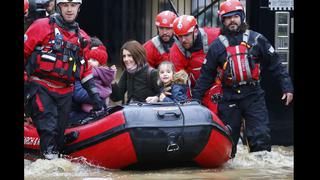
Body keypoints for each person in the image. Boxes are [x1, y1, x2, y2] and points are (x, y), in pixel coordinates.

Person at [192, 0, 294, 157]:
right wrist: (195, 101)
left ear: (242, 17)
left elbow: (276, 64)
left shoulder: (257, 39)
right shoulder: (217, 46)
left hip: (253, 95)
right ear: (222, 20)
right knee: (228, 142)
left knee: (260, 138)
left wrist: (287, 87)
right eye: (227, 17)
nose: (232, 20)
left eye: (235, 16)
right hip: (229, 97)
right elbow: (206, 76)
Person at [24, 0, 105, 160]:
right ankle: (49, 169)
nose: (69, 9)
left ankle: (55, 163)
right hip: (41, 87)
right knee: (49, 130)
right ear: (58, 6)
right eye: (65, 5)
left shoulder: (83, 38)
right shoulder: (41, 26)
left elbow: (85, 69)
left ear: (79, 8)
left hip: (65, 92)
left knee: (58, 137)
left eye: (73, 5)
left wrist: (95, 96)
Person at [170, 14, 222, 113]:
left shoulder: (214, 35)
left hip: (218, 84)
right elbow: (181, 82)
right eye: (179, 36)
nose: (183, 40)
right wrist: (189, 104)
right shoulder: (175, 51)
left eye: (186, 35)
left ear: (196, 31)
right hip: (195, 90)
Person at [69, 36, 116, 123]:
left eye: (94, 59)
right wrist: (99, 98)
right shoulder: (79, 68)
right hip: (80, 108)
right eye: (89, 57)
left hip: (87, 111)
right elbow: (78, 94)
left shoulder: (97, 72)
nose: (90, 61)